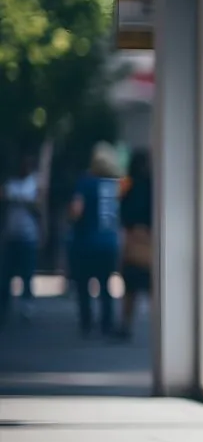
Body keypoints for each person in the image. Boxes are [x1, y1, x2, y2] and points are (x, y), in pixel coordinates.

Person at [69, 142, 122, 337]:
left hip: (86, 242)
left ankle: (86, 323)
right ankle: (107, 324)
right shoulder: (116, 185)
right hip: (109, 242)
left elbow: (76, 210)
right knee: (105, 285)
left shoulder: (85, 182)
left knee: (84, 285)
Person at [0, 155, 41, 325]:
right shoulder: (10, 183)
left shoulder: (34, 183)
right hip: (11, 234)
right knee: (6, 274)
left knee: (27, 272)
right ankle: (4, 307)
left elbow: (38, 205)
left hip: (28, 235)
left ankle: (26, 305)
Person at [116, 149, 152, 340]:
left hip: (132, 240)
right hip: (150, 239)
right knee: (153, 286)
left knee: (130, 288)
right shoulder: (154, 185)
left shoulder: (128, 185)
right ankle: (165, 326)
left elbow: (122, 213)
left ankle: (125, 324)